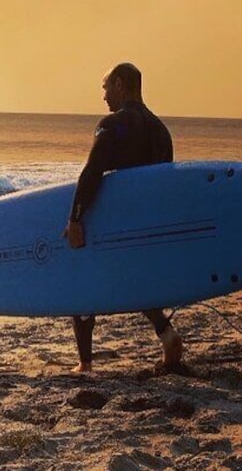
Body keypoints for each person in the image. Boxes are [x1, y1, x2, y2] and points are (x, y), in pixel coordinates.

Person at [62, 62, 184, 373]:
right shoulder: (161, 130)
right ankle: (166, 333)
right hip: (146, 221)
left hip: (112, 219)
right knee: (134, 280)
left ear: (119, 84)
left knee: (81, 281)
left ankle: (85, 362)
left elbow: (92, 173)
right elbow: (161, 183)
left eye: (105, 88)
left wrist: (76, 218)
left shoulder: (113, 124)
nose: (103, 96)